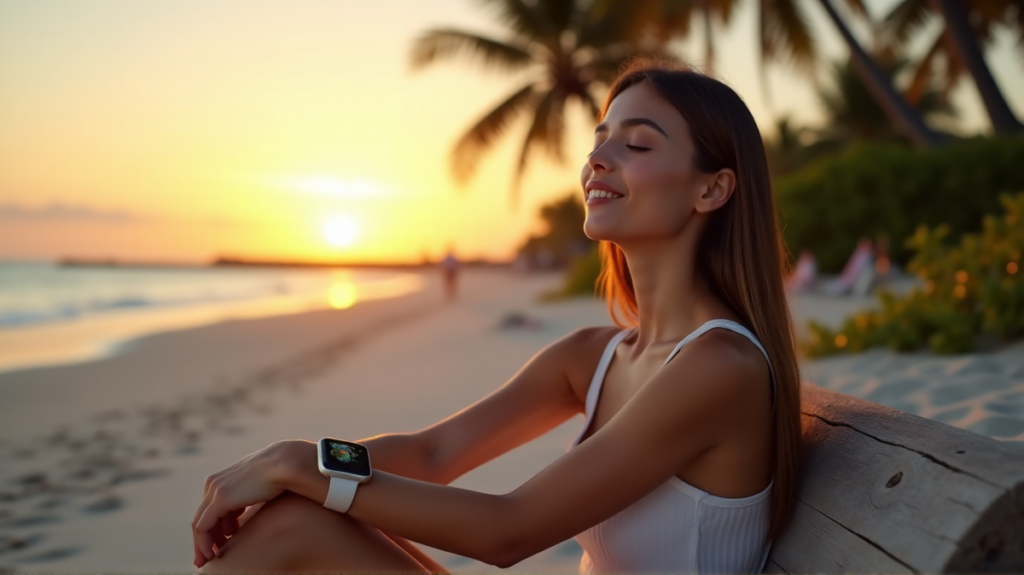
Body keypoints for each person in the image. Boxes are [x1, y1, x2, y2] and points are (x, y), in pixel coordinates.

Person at [191, 60, 803, 574]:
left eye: (636, 144)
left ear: (711, 190)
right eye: (598, 140)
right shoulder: (594, 357)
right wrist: (302, 466)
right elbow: (433, 453)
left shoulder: (721, 368)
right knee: (296, 513)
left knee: (301, 513)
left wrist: (302, 466)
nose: (597, 159)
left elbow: (509, 531)